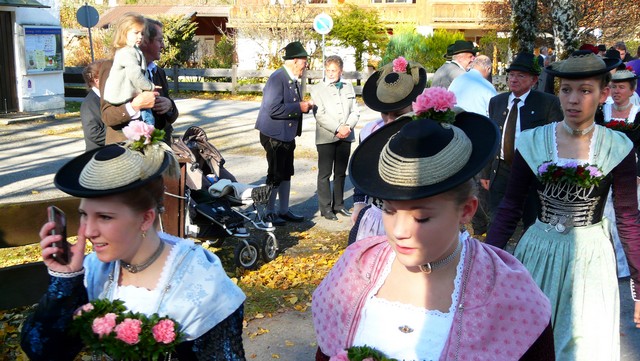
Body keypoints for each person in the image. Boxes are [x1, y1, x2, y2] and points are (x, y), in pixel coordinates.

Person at [313, 88, 554, 360]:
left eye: (421, 217)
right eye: (389, 211)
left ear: (466, 210)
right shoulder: (356, 269)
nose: (400, 232)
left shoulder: (508, 294)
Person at [20, 121, 246, 360]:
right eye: (84, 215)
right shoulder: (94, 271)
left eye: (105, 217)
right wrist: (65, 280)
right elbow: (42, 351)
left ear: (145, 218)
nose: (87, 231)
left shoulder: (199, 282)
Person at [486, 50, 640, 360]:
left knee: (583, 345)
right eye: (566, 90)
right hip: (537, 252)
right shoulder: (532, 141)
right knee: (532, 340)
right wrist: (486, 262)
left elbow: (628, 218)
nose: (573, 100)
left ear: (603, 94)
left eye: (585, 90)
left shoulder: (618, 147)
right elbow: (510, 207)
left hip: (591, 260)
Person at [482, 52, 563, 232]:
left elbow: (554, 140)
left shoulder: (547, 103)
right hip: (501, 169)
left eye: (521, 75)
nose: (514, 79)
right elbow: (492, 138)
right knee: (497, 219)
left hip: (531, 170)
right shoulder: (497, 101)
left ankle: (529, 254)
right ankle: (496, 254)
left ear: (534, 80)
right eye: (511, 75)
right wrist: (486, 173)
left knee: (532, 220)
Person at [349, 57, 427, 244]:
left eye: (398, 114)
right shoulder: (370, 132)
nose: (389, 121)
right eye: (385, 114)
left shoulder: (426, 134)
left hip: (413, 223)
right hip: (375, 219)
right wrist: (359, 202)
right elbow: (363, 171)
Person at [254, 41, 313, 226]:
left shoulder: (290, 77)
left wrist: (301, 107)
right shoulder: (277, 78)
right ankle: (269, 212)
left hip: (286, 135)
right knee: (275, 174)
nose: (306, 65)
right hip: (274, 135)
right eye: (304, 61)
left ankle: (283, 210)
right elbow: (272, 109)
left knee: (286, 172)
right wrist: (299, 107)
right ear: (295, 61)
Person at [100, 17, 179, 144]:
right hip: (126, 153)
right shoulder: (112, 67)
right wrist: (134, 106)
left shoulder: (158, 72)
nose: (163, 45)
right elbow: (107, 116)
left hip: (156, 151)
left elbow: (169, 118)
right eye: (160, 40)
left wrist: (169, 106)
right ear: (146, 41)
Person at [595, 69, 640, 278]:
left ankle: (628, 266)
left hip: (632, 173)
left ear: (632, 90)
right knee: (604, 217)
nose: (616, 91)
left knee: (628, 218)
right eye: (613, 86)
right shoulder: (601, 112)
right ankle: (607, 264)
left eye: (621, 87)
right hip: (603, 169)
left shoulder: (638, 115)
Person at [309, 55, 359, 221]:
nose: (330, 73)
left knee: (340, 173)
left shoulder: (348, 87)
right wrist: (338, 128)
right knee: (325, 173)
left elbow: (355, 111)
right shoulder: (317, 89)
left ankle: (339, 205)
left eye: (334, 70)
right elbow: (320, 115)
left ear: (341, 71)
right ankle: (325, 208)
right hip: (326, 137)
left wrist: (348, 127)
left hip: (346, 135)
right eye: (328, 70)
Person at [102, 12, 156, 126]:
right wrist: (150, 87)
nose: (140, 36)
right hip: (124, 135)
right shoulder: (126, 52)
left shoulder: (136, 52)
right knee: (149, 121)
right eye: (136, 33)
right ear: (123, 33)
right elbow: (135, 74)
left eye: (142, 33)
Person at [80, 60, 107, 151]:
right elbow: (94, 134)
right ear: (97, 81)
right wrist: (120, 135)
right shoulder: (90, 103)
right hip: (99, 155)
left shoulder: (106, 97)